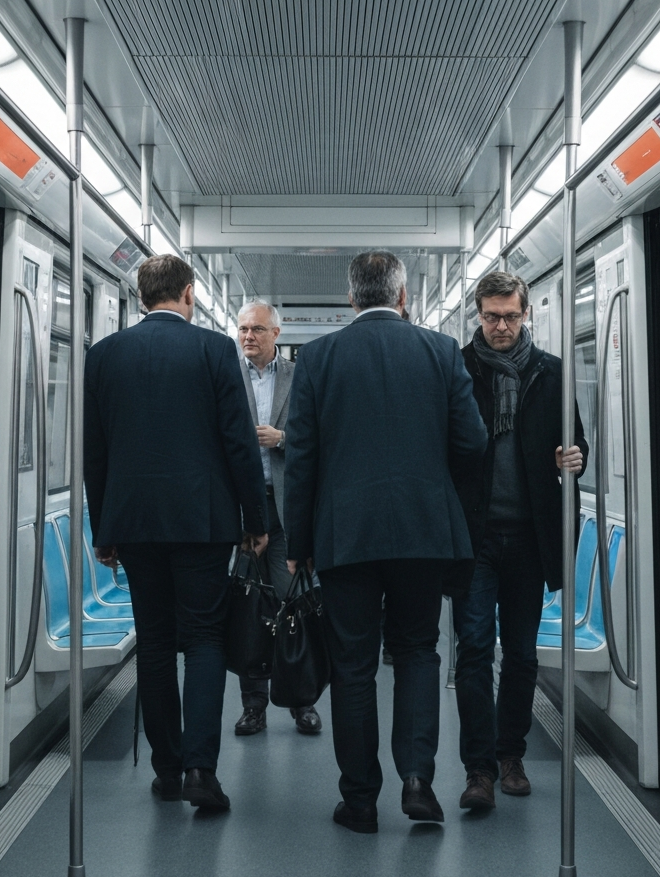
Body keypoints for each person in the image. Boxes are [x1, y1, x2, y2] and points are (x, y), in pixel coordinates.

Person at [283, 250, 487, 833]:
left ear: (352, 299)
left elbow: (302, 458)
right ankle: (419, 781)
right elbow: (471, 442)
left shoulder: (319, 358)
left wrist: (298, 540)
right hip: (425, 532)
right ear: (403, 297)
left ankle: (361, 800)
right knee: (419, 652)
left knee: (353, 666)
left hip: (344, 535)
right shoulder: (441, 351)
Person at [84, 254, 269, 812]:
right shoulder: (215, 350)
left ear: (142, 296)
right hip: (203, 522)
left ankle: (165, 768)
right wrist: (254, 520)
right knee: (205, 639)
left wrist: (103, 527)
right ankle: (199, 771)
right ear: (188, 293)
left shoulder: (103, 355)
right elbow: (238, 441)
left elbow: (96, 449)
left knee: (157, 643)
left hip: (134, 522)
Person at [452, 271, 588, 811]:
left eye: (510, 316)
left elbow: (575, 441)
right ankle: (478, 768)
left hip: (531, 535)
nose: (501, 326)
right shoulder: (458, 371)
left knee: (522, 654)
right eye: (491, 316)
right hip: (475, 536)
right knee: (474, 651)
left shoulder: (552, 374)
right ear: (478, 316)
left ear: (525, 313)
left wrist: (574, 457)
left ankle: (512, 756)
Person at [234, 299, 322, 738]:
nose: (248, 336)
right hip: (246, 509)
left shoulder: (298, 376)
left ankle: (301, 700)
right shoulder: (229, 378)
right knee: (250, 610)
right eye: (243, 329)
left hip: (288, 505)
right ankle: (253, 706)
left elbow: (316, 433)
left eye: (257, 329)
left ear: (276, 334)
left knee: (292, 605)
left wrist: (283, 437)